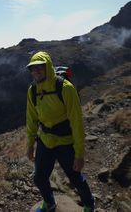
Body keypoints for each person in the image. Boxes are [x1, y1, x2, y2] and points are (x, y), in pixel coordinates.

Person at [26, 51, 94, 212]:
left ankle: (89, 205)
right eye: (32, 69)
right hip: (45, 140)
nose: (36, 72)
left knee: (75, 177)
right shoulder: (33, 90)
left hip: (65, 141)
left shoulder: (65, 88)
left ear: (47, 67)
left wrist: (79, 154)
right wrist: (30, 145)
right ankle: (49, 203)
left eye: (39, 68)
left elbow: (77, 122)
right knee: (39, 177)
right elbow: (31, 119)